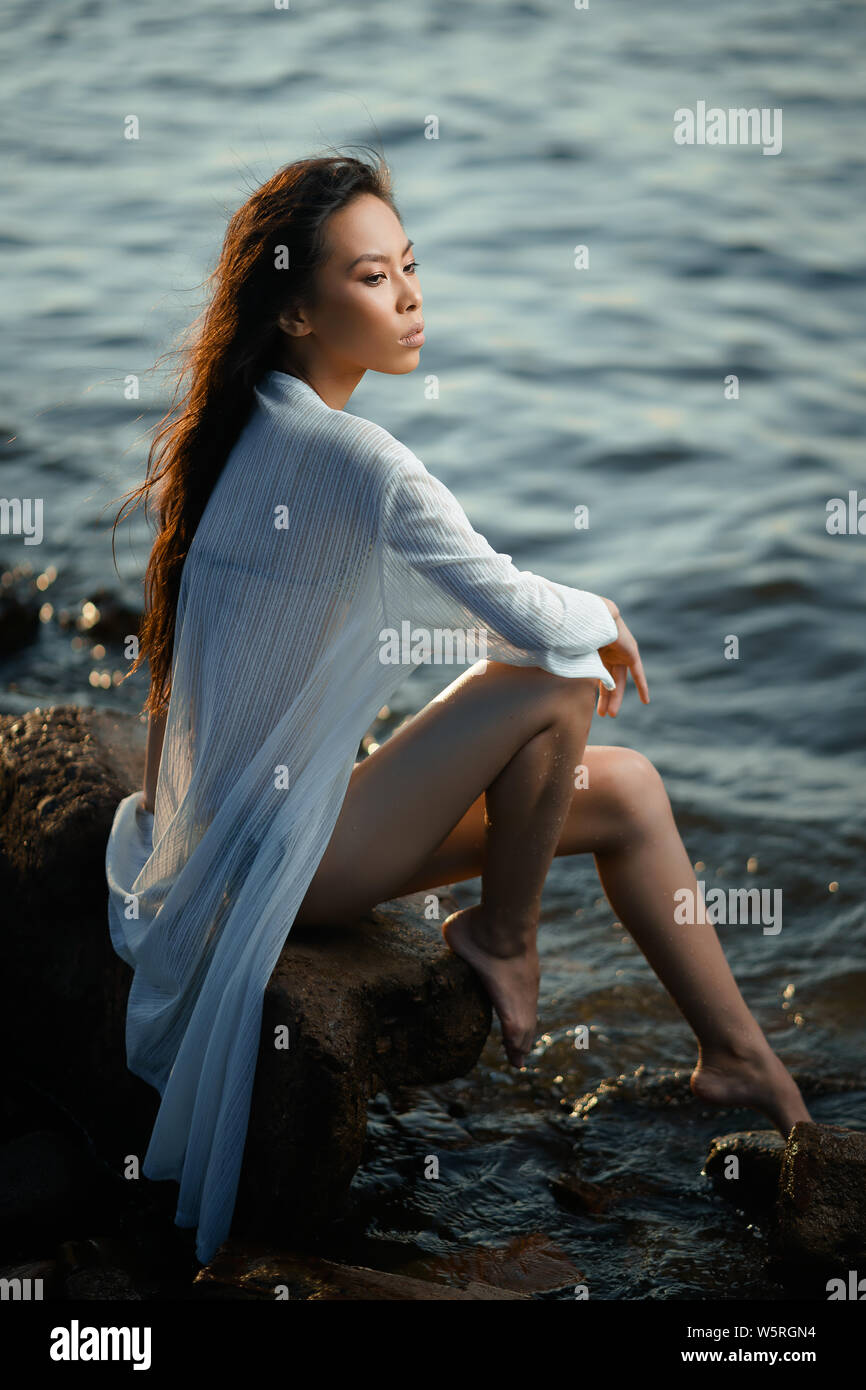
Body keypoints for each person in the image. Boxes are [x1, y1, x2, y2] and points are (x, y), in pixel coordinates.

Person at [108, 148, 810, 1266]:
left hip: (247, 832)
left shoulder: (248, 422)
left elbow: (455, 613)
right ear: (295, 308)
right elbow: (532, 630)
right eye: (372, 277)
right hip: (293, 861)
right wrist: (603, 611)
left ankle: (739, 1063)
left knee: (624, 791)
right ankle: (501, 934)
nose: (410, 295)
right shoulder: (356, 459)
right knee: (560, 676)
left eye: (410, 266)